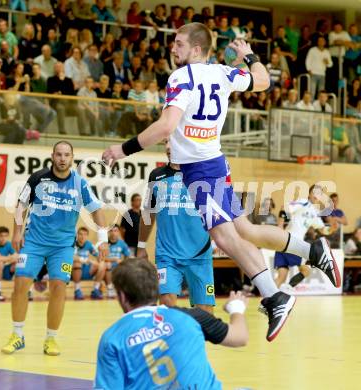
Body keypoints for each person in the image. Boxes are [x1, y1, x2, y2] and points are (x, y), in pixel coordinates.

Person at [102, 23, 341, 341]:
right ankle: (312, 252)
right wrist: (250, 55)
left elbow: (165, 126)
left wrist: (122, 149)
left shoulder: (181, 77)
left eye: (179, 44)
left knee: (226, 238)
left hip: (201, 169)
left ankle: (275, 296)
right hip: (215, 162)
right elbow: (262, 81)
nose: (173, 49)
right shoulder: (223, 73)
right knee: (245, 231)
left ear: (196, 49)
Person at [1, 141, 108, 356]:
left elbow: (96, 210)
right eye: (58, 154)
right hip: (34, 242)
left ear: (72, 157)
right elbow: (21, 206)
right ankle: (17, 335)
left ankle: (51, 338)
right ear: (52, 156)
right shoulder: (38, 178)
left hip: (62, 247)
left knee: (59, 286)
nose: (62, 158)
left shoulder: (80, 184)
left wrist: (103, 238)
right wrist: (16, 232)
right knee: (21, 283)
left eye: (66, 155)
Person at [94, 257, 249, 390]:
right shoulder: (192, 316)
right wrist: (236, 308)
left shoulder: (113, 338)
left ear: (121, 296)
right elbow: (240, 337)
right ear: (156, 288)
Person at [137, 139, 215, 313]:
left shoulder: (202, 174)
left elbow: (217, 212)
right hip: (167, 255)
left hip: (199, 255)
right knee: (166, 303)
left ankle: (196, 340)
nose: (168, 147)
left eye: (173, 142)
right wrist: (141, 246)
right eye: (165, 142)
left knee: (205, 311)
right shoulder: (156, 176)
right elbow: (148, 213)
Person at [273, 185, 335, 289]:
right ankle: (287, 288)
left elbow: (323, 229)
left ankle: (267, 299)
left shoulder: (314, 213)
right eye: (314, 192)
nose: (316, 195)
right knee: (306, 270)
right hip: (292, 242)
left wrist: (332, 229)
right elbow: (284, 207)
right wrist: (280, 226)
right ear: (309, 194)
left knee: (281, 276)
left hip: (285, 243)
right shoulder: (303, 202)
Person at [72, 226, 106, 300]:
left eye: (85, 234)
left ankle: (96, 290)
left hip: (86, 271)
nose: (82, 236)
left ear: (87, 236)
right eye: (80, 234)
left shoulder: (89, 244)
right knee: (77, 263)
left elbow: (99, 258)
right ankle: (77, 290)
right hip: (73, 271)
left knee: (102, 265)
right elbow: (71, 257)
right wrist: (86, 260)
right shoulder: (72, 243)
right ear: (77, 235)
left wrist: (101, 252)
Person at [104, 224, 130, 298]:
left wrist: (123, 261)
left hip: (118, 266)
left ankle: (125, 290)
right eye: (111, 231)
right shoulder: (104, 243)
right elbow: (101, 258)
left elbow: (128, 256)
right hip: (107, 266)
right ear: (108, 232)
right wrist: (114, 259)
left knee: (128, 266)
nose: (113, 233)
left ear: (118, 232)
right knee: (108, 265)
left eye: (115, 231)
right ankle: (110, 288)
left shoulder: (122, 243)